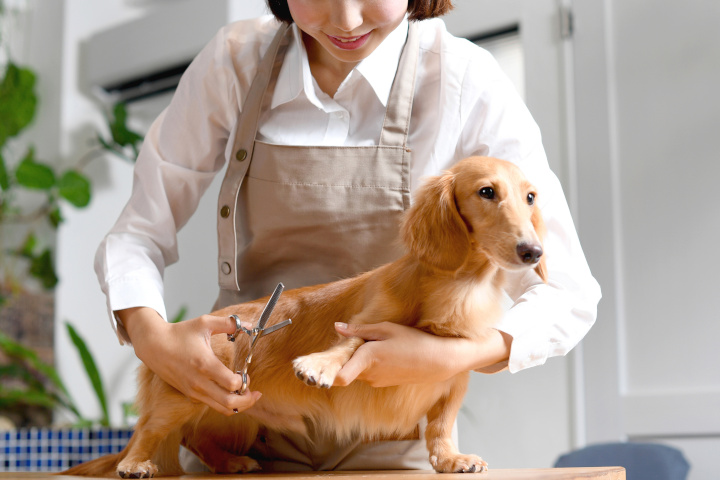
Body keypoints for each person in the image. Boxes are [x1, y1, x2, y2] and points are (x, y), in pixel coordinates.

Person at [95, 0, 601, 471]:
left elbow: (567, 294)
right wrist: (152, 338)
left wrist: (451, 356)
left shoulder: (465, 79)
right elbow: (137, 232)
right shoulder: (235, 61)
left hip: (390, 436)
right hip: (241, 423)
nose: (346, 19)